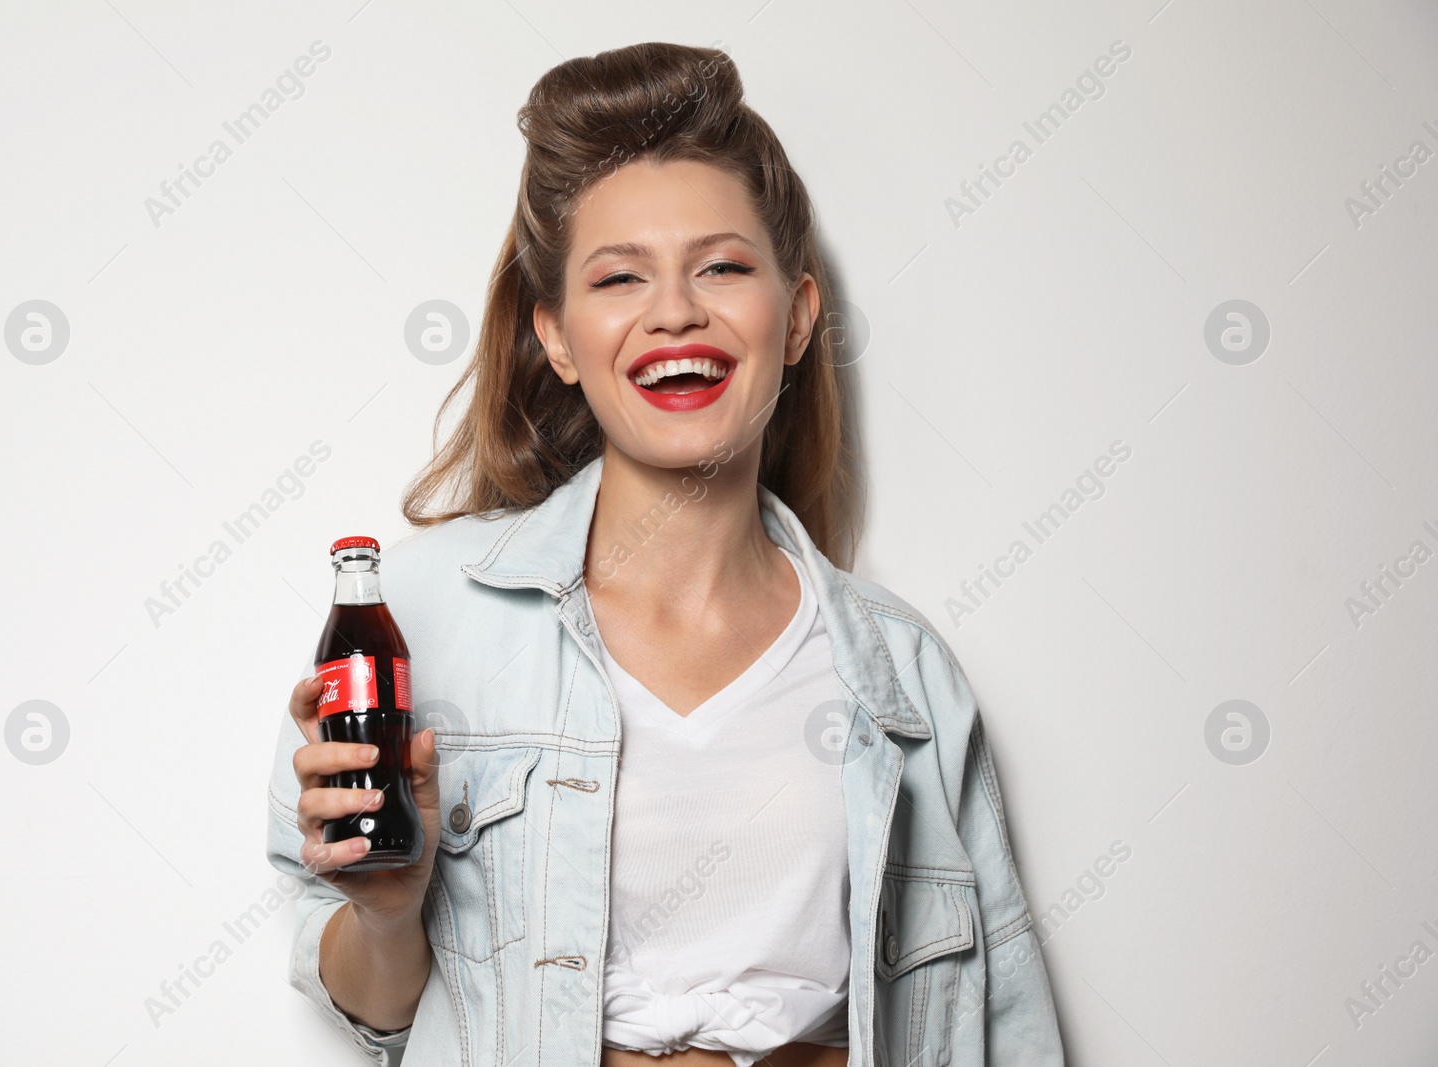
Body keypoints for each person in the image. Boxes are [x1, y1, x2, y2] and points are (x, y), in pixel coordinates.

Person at [266, 41, 1064, 1067]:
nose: (675, 311)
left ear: (796, 317)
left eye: (723, 266)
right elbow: (371, 1007)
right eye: (619, 277)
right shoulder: (417, 618)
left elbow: (1005, 1025)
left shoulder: (904, 679)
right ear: (557, 336)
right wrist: (387, 914)